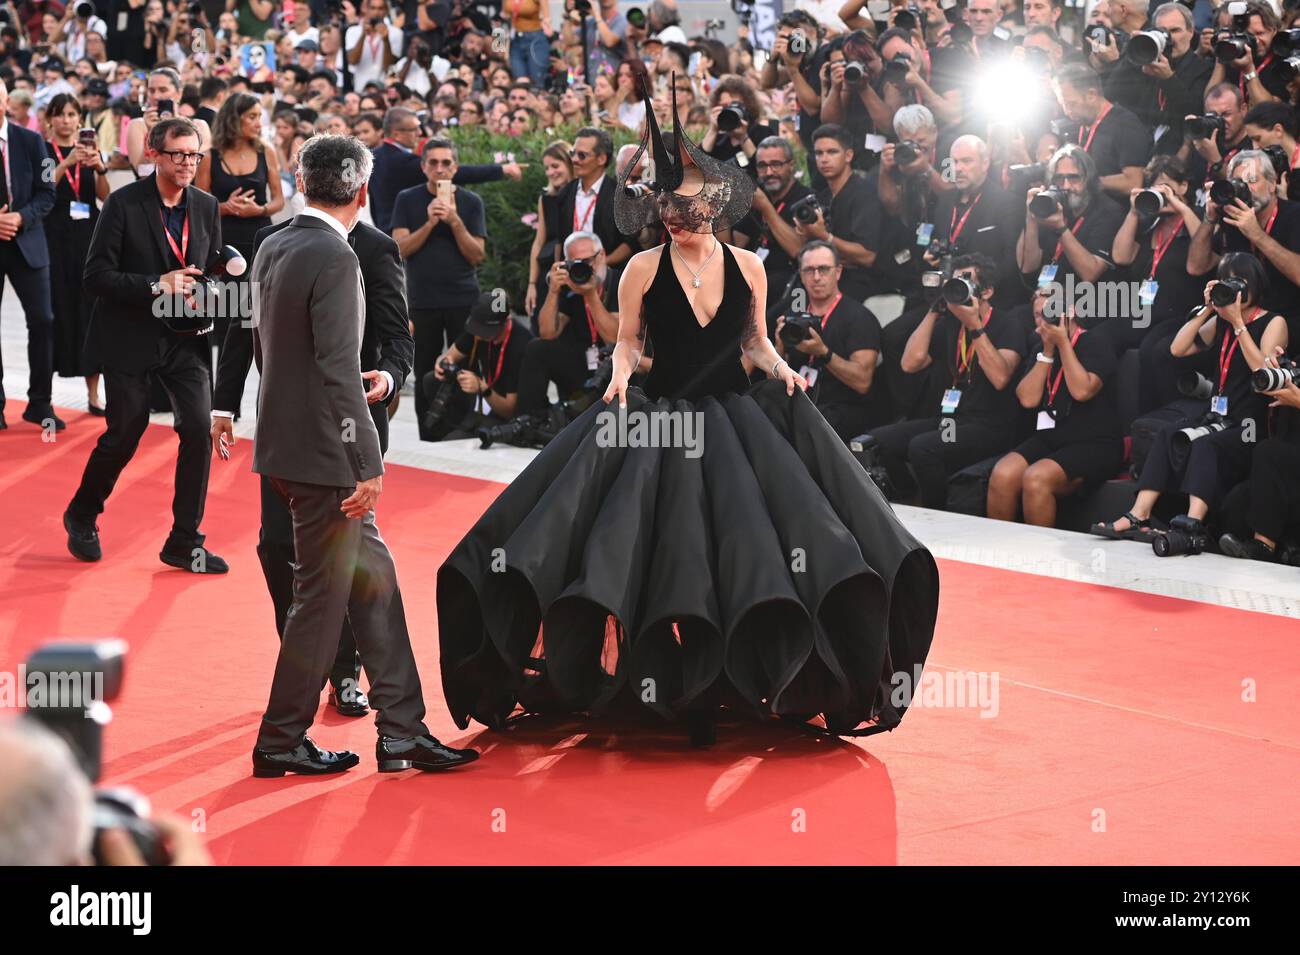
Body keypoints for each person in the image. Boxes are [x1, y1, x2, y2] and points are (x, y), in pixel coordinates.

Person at [436, 85, 939, 749]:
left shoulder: (751, 266)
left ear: (714, 203)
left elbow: (755, 342)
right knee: (656, 550)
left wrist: (781, 368)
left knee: (747, 546)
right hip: (660, 418)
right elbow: (626, 346)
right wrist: (616, 379)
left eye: (684, 202)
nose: (673, 212)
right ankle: (658, 678)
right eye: (664, 202)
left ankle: (735, 679)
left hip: (736, 419)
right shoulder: (641, 267)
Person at [247, 134, 477, 777]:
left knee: (374, 587)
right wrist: (367, 460)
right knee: (320, 602)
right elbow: (339, 370)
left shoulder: (273, 243)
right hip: (329, 460)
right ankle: (279, 739)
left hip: (288, 448)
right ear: (360, 190)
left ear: (303, 181)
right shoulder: (335, 255)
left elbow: (270, 354)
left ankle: (402, 730)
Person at [212, 160, 414, 720]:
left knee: (345, 562)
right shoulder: (272, 241)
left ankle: (345, 676)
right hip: (286, 429)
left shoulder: (372, 250)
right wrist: (224, 402)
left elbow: (397, 336)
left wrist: (390, 377)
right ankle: (317, 670)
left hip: (351, 427)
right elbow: (242, 324)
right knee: (278, 548)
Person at [64, 118, 226, 573]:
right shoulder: (122, 204)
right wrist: (158, 283)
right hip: (129, 336)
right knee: (124, 433)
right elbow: (95, 278)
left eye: (194, 154)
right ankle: (82, 512)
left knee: (197, 429)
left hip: (186, 339)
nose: (188, 163)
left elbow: (208, 268)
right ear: (153, 154)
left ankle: (184, 540)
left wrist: (214, 284)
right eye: (178, 154)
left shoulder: (207, 205)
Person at [1091, 254, 1289, 547]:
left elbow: (1262, 372)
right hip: (1217, 416)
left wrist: (1238, 324)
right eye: (1227, 282)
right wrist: (1208, 310)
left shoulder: (1273, 321)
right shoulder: (1221, 321)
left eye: (1240, 282)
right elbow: (1177, 348)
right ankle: (1139, 515)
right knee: (1168, 432)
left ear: (1256, 284)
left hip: (1250, 423)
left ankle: (1193, 522)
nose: (1234, 290)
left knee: (1207, 445)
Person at [868, 254, 1028, 511]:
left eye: (965, 281)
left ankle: (938, 516)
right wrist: (934, 311)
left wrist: (975, 326)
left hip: (990, 425)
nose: (958, 287)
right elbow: (910, 363)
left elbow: (1000, 378)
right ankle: (908, 501)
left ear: (986, 291)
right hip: (951, 421)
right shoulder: (949, 324)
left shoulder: (1008, 324)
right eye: (954, 282)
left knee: (923, 448)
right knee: (879, 441)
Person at [987, 286, 1124, 527]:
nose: (1042, 320)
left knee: (1035, 478)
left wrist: (1063, 344)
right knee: (1002, 473)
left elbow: (1082, 391)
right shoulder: (1040, 348)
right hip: (1052, 437)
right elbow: (1027, 399)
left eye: (1048, 312)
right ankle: (1002, 552)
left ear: (1069, 311)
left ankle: (1040, 558)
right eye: (1037, 314)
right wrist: (1049, 352)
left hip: (1094, 441)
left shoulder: (1095, 341)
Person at [391, 137, 487, 439]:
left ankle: (464, 428)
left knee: (468, 366)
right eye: (433, 162)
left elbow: (477, 255)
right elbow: (399, 249)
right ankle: (428, 431)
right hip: (423, 299)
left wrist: (455, 221)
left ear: (455, 168)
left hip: (463, 297)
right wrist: (430, 223)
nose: (440, 169)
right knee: (423, 368)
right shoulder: (408, 199)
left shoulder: (471, 202)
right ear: (423, 167)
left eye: (446, 163)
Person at [195, 92, 283, 379]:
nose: (259, 123)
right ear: (235, 119)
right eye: (252, 117)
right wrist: (225, 207)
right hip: (224, 243)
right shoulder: (210, 156)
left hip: (260, 239)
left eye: (260, 116)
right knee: (223, 316)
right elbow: (198, 203)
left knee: (254, 315)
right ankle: (222, 393)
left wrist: (258, 209)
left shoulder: (266, 151)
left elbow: (278, 201)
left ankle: (260, 383)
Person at [774, 240, 885, 441]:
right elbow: (772, 383)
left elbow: (863, 382)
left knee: (802, 427)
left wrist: (824, 353)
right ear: (801, 274)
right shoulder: (793, 316)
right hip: (800, 402)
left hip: (843, 408)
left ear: (838, 272)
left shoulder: (859, 317)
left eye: (823, 269)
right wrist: (778, 351)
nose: (816, 277)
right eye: (809, 270)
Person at [0, 78, 58, 433]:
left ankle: (40, 403)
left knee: (43, 320)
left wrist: (20, 217)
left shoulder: (33, 141)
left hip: (28, 243)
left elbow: (47, 192)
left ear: (6, 100)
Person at [516, 229, 618, 414]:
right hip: (582, 364)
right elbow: (547, 333)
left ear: (602, 255)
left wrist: (591, 295)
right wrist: (553, 291)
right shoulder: (571, 285)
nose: (584, 268)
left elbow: (615, 338)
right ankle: (531, 420)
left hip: (616, 369)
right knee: (537, 349)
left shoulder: (620, 281)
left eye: (587, 261)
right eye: (575, 264)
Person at [424, 290, 534, 439]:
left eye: (483, 331)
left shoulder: (520, 344)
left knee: (461, 438)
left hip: (510, 414)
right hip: (482, 402)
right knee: (432, 379)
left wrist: (482, 388)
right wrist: (442, 363)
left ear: (503, 323)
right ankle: (447, 430)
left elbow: (510, 410)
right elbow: (449, 356)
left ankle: (459, 432)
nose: (477, 335)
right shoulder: (479, 329)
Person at [525, 140, 574, 325]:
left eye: (555, 166)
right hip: (547, 274)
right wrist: (531, 284)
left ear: (569, 163)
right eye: (547, 168)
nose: (551, 172)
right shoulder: (546, 199)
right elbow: (539, 241)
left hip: (573, 271)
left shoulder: (580, 195)